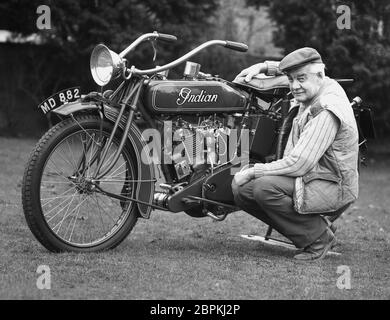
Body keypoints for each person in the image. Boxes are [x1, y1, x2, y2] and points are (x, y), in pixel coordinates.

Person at [232, 47, 359, 261]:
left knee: (263, 187)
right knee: (242, 190)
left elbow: (300, 163)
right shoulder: (319, 83)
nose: (294, 86)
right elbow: (298, 71)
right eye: (291, 79)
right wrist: (264, 66)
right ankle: (314, 228)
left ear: (320, 75)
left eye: (300, 79)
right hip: (314, 177)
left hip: (331, 184)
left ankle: (318, 238)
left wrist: (254, 171)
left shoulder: (326, 109)